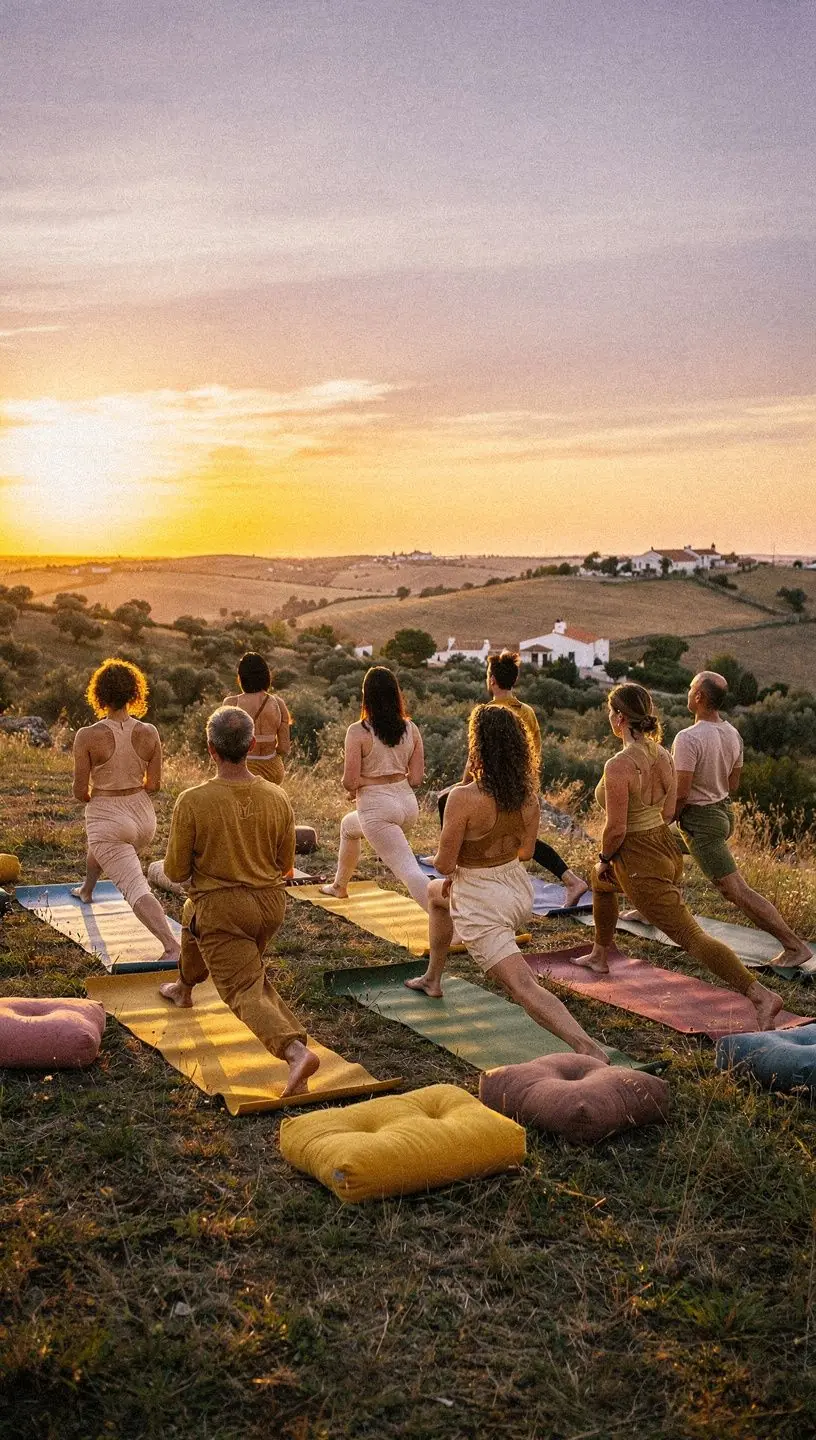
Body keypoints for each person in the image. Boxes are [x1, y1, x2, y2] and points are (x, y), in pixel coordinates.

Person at [405, 704, 609, 1061]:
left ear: (478, 747)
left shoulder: (462, 797)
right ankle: (432, 979)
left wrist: (453, 858)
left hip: (481, 900)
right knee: (437, 896)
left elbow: (446, 863)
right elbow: (527, 852)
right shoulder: (527, 797)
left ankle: (587, 1048)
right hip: (517, 890)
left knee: (523, 985)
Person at [584, 683, 782, 1030]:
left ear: (619, 718)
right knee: (599, 884)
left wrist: (605, 857)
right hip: (664, 847)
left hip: (639, 858)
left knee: (692, 937)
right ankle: (601, 954)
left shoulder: (618, 765)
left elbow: (615, 829)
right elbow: (665, 811)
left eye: (609, 713)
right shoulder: (664, 755)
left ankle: (761, 995)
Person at [158, 706, 318, 1097]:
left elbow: (176, 872)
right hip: (268, 908)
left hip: (224, 911)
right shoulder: (277, 796)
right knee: (191, 917)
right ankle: (184, 985)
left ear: (210, 749)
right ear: (250, 746)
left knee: (245, 987)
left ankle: (295, 1052)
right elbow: (285, 865)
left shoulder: (193, 801)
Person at [672, 671, 812, 972]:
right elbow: (733, 783)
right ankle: (658, 906)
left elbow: (681, 794)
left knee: (734, 890)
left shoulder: (687, 738)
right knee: (659, 845)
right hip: (723, 812)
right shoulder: (732, 733)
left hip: (701, 821)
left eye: (691, 687)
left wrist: (667, 816)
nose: (688, 691)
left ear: (699, 697)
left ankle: (794, 946)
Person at [438, 650, 589, 907]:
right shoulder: (527, 711)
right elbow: (535, 751)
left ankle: (455, 867)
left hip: (493, 788)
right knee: (519, 836)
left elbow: (475, 757)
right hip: (521, 784)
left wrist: (464, 786)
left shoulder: (489, 713)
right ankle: (570, 879)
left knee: (445, 800)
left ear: (492, 680)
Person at [72, 659, 179, 964]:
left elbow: (80, 792)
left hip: (108, 814)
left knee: (134, 885)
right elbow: (155, 784)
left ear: (100, 694)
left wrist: (103, 796)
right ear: (135, 693)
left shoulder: (87, 735)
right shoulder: (150, 731)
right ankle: (88, 889)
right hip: (143, 818)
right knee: (105, 848)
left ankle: (171, 945)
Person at [321, 666, 429, 908]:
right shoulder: (411, 729)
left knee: (409, 871)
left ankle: (451, 927)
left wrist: (366, 783)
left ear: (366, 695)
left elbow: (349, 782)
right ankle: (339, 886)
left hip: (378, 810)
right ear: (395, 695)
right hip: (407, 806)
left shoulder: (358, 731)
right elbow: (416, 779)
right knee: (349, 826)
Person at [223, 652, 291, 785]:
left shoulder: (231, 703)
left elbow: (224, 746)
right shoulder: (278, 703)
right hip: (273, 769)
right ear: (266, 676)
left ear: (241, 678)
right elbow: (284, 748)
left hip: (245, 768)